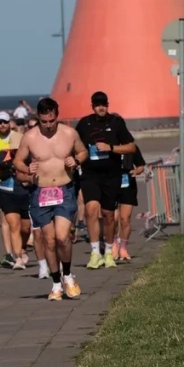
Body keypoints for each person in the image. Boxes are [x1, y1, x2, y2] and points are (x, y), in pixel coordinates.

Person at [13, 97, 87, 301]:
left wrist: (77, 159)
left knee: (63, 237)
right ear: (38, 117)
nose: (48, 125)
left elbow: (83, 151)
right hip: (41, 191)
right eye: (44, 121)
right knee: (49, 240)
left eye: (52, 120)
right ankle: (56, 283)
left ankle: (68, 275)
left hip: (64, 189)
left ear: (57, 116)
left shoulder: (69, 133)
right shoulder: (30, 137)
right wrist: (27, 168)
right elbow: (17, 161)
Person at [74, 91, 136, 270]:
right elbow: (74, 145)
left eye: (104, 104)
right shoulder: (84, 124)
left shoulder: (116, 123)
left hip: (111, 175)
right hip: (90, 174)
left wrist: (111, 148)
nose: (101, 107)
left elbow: (131, 147)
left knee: (109, 215)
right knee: (91, 209)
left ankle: (108, 251)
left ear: (108, 105)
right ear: (92, 106)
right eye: (97, 104)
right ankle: (95, 253)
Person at [113, 144, 146, 262]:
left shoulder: (132, 147)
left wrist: (136, 171)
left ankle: (123, 247)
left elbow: (141, 166)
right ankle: (114, 243)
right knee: (113, 219)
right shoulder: (109, 146)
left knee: (125, 218)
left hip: (128, 185)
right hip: (111, 184)